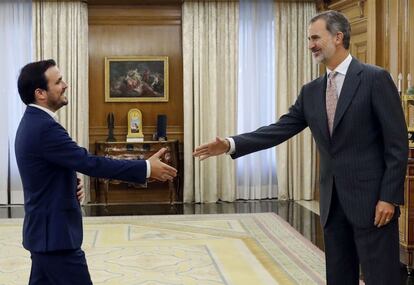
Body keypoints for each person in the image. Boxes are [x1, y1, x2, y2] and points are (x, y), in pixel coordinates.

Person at [193, 10, 408, 285]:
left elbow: (397, 145)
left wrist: (389, 197)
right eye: (309, 39)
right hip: (333, 205)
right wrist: (231, 144)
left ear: (338, 37)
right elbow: (278, 130)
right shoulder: (311, 91)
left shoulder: (374, 79)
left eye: (315, 38)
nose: (310, 45)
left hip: (373, 204)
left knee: (382, 278)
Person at [15, 59, 177, 285]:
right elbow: (88, 162)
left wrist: (70, 185)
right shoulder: (44, 127)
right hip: (55, 237)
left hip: (46, 235)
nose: (65, 85)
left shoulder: (34, 122)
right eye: (59, 81)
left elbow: (48, 170)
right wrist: (146, 167)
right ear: (40, 93)